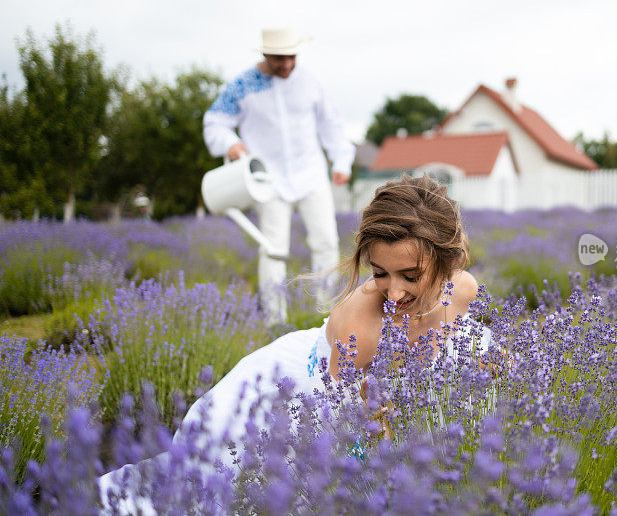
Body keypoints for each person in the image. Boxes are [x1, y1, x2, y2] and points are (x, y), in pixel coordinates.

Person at [97, 175, 485, 513]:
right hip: (296, 398)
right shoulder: (361, 332)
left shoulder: (462, 289)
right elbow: (344, 441)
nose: (394, 292)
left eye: (411, 276)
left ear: (447, 265)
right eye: (380, 273)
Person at [203, 27, 355, 323]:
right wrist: (230, 143)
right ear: (264, 54)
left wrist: (342, 161)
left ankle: (328, 314)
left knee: (326, 241)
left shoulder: (310, 83)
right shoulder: (242, 86)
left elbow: (331, 124)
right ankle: (275, 321)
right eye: (278, 59)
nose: (286, 65)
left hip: (311, 173)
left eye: (291, 58)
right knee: (273, 248)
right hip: (268, 180)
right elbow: (214, 122)